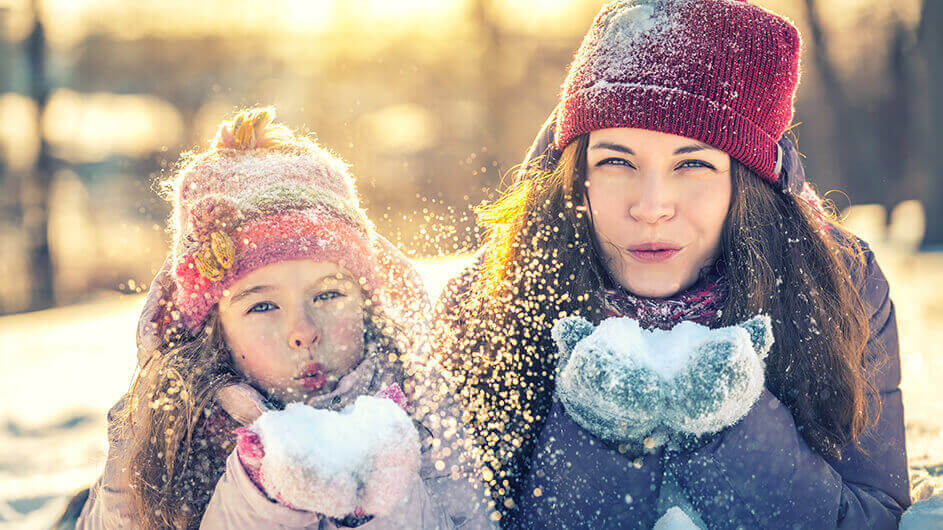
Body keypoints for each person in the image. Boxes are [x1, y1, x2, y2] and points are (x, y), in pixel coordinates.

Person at [433, 1, 910, 528]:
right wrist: (603, 430)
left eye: (693, 164)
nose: (651, 205)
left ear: (745, 183)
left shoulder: (836, 282)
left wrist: (730, 424)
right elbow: (459, 515)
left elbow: (878, 515)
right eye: (616, 161)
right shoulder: (494, 295)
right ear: (576, 174)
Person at [75, 108, 493, 529]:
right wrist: (262, 497)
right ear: (212, 330)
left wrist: (385, 502)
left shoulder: (419, 398)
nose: (304, 332)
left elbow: (468, 519)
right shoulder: (166, 425)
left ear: (365, 303)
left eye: (328, 295)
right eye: (262, 306)